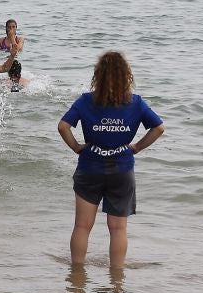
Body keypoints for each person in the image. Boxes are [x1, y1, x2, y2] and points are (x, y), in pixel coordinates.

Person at [58, 51, 164, 269]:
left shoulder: (87, 100)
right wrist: (136, 147)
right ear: (127, 75)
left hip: (89, 166)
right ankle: (117, 280)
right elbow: (159, 127)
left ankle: (77, 275)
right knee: (118, 228)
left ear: (99, 75)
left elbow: (63, 126)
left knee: (82, 226)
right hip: (122, 168)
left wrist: (77, 147)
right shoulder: (135, 103)